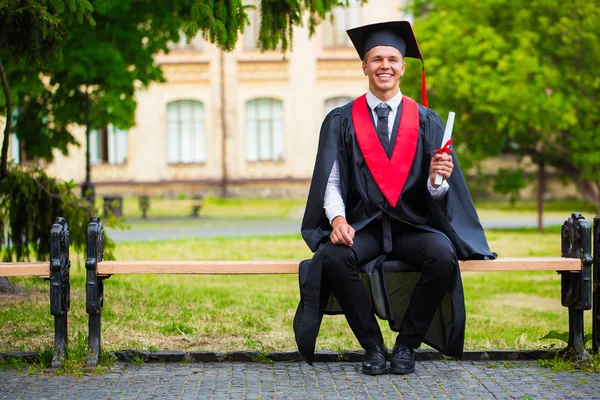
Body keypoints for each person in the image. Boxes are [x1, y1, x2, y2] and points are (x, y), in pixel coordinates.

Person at [293, 21, 496, 375]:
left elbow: (436, 195)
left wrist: (437, 179)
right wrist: (338, 220)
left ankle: (407, 345)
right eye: (376, 59)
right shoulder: (342, 120)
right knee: (335, 257)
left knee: (442, 254)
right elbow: (332, 180)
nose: (384, 65)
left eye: (391, 59)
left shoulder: (426, 121)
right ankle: (372, 346)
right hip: (364, 225)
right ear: (364, 67)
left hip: (410, 224)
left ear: (403, 67)